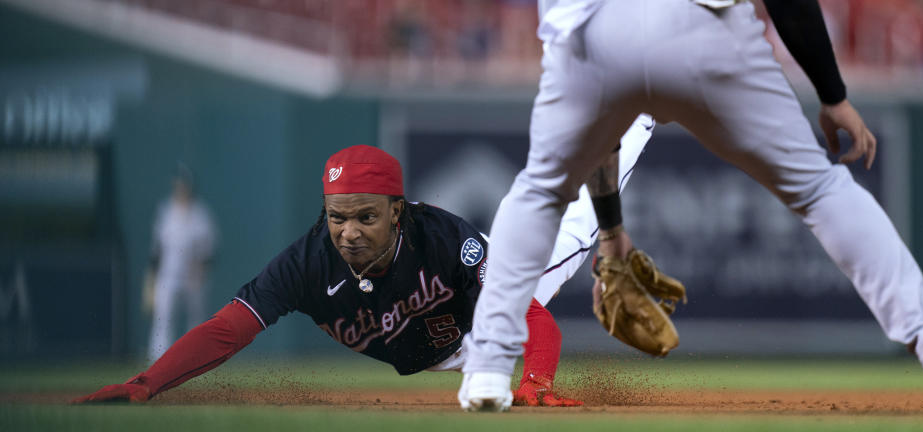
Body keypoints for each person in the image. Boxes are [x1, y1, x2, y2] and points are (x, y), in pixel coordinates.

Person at [458, 0, 923, 412]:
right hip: (698, 9)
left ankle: (485, 369)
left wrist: (611, 233)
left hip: (590, 22)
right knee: (821, 191)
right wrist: (833, 97)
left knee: (538, 191)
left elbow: (588, 115)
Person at [74, 130, 654, 407]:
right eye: (336, 217)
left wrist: (535, 383)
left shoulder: (442, 238)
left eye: (365, 218)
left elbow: (528, 317)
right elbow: (227, 329)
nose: (348, 231)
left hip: (488, 318)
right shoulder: (306, 265)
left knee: (567, 218)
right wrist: (145, 383)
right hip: (440, 349)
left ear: (397, 212)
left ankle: (645, 110)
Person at [145, 166, 218, 362]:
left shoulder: (201, 214)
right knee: (162, 321)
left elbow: (209, 251)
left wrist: (202, 273)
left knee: (197, 322)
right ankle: (158, 362)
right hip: (167, 276)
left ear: (190, 187)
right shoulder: (166, 211)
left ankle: (196, 359)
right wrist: (151, 280)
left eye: (184, 185)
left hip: (193, 277)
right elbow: (157, 249)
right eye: (178, 184)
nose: (181, 188)